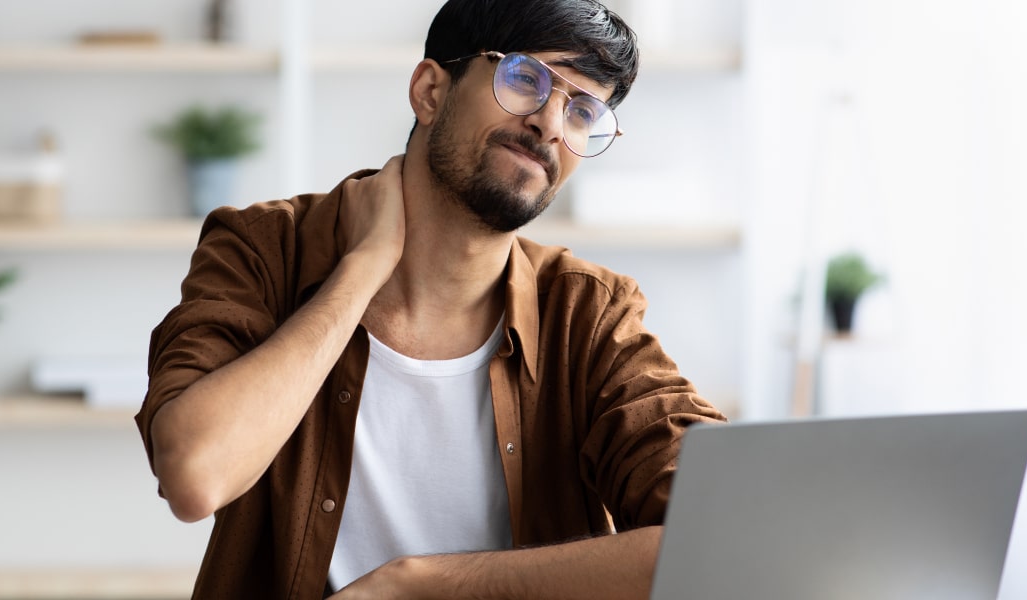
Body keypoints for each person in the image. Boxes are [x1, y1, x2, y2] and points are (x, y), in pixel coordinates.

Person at [135, 0, 727, 598]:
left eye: (582, 111)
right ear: (430, 91)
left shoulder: (589, 312)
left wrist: (423, 584)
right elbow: (195, 474)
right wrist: (360, 272)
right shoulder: (266, 248)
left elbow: (720, 532)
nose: (551, 125)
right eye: (525, 78)